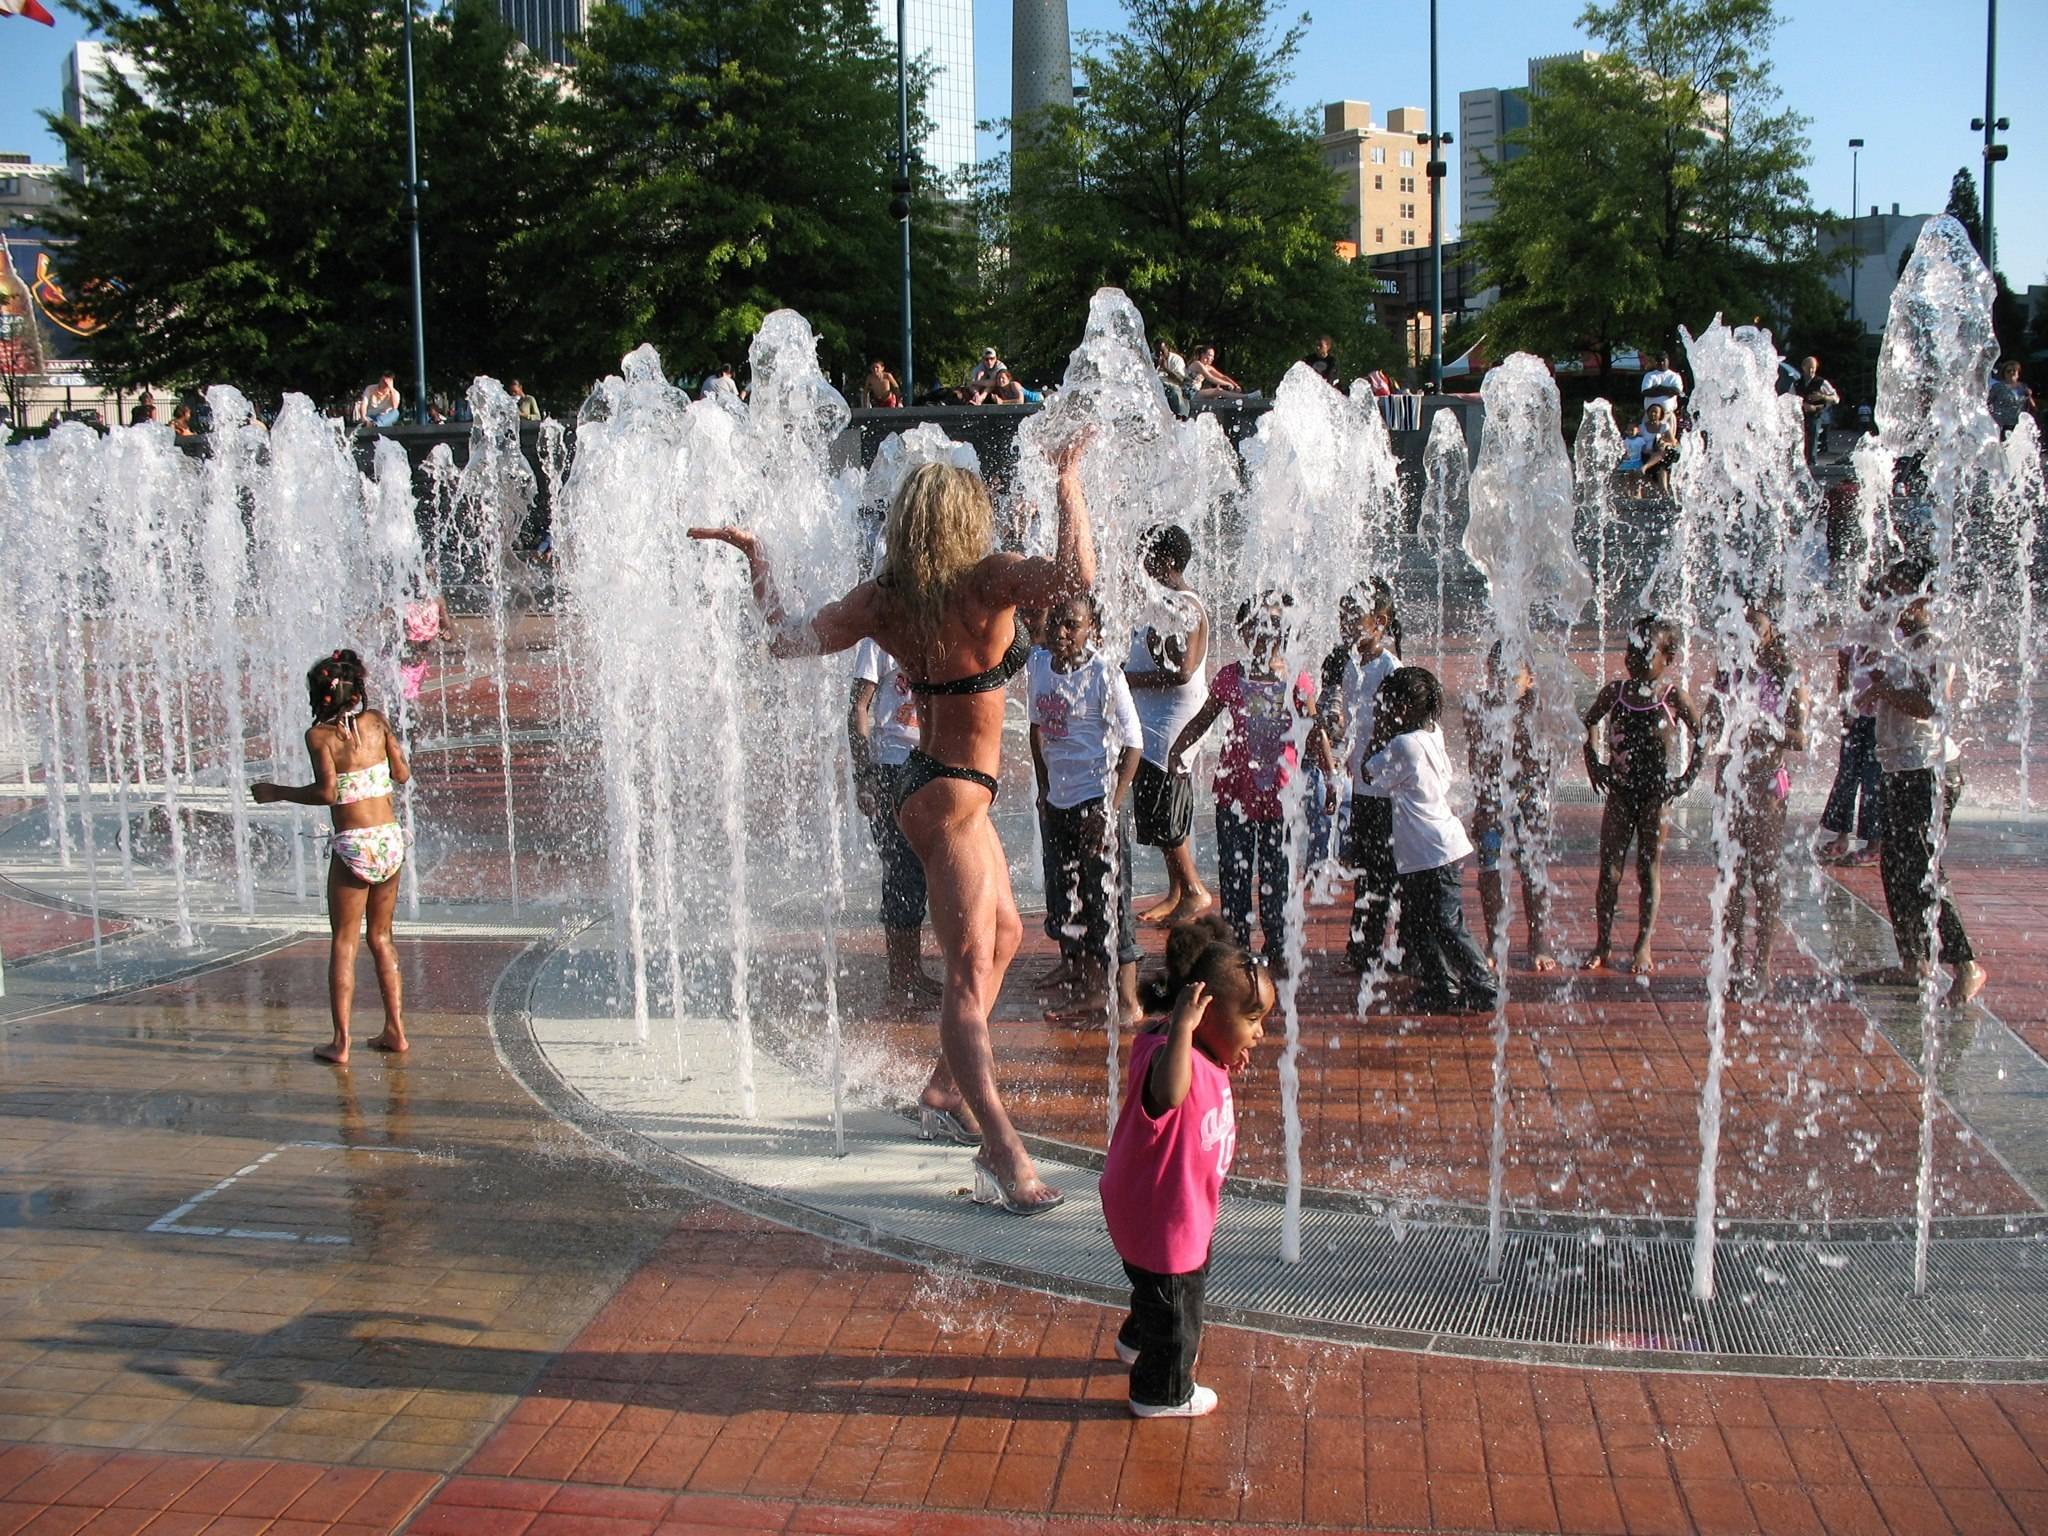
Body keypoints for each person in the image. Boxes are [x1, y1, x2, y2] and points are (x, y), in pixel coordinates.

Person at [689, 439, 1095, 1214]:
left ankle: (945, 1088)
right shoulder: (988, 581)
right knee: (971, 978)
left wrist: (757, 556)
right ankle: (1003, 1151)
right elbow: (1076, 579)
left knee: (1006, 938)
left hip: (930, 787)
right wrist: (1068, 481)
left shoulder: (887, 599)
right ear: (965, 518)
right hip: (950, 800)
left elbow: (785, 637)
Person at [1099, 916, 1273, 1419]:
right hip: (1164, 1219)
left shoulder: (1201, 1051)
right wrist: (1181, 1029)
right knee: (1180, 1312)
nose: (1260, 1033)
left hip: (1172, 1209)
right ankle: (1160, 1391)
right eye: (1253, 1018)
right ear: (1204, 1014)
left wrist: (1213, 1052)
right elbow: (1171, 1093)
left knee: (1158, 1293)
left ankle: (1137, 1337)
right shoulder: (1166, 1054)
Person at [250, 650, 411, 1064]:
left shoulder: (319, 737)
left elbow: (327, 793)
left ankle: (341, 1042)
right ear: (357, 691)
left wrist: (278, 792)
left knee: (344, 942)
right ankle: (395, 1029)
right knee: (381, 938)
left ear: (319, 696)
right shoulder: (376, 722)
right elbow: (402, 774)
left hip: (355, 843)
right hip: (390, 840)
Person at [1168, 592, 1332, 970]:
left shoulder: (1296, 679)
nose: (1265, 634)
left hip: (1281, 796)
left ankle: (1277, 944)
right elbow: (1204, 718)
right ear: (1242, 631)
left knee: (1276, 874)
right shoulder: (1231, 677)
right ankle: (1237, 945)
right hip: (1234, 794)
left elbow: (1316, 727)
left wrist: (1330, 775)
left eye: (1274, 626)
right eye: (1256, 626)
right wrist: (1179, 750)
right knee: (1235, 872)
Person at [1856, 560, 1986, 1007]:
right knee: (1895, 865)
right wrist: (1875, 691)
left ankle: (1966, 964)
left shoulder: (1932, 644)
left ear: (1924, 597)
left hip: (1928, 771)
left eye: (1899, 592)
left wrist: (1886, 692)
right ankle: (1914, 961)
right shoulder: (1904, 644)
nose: (1891, 601)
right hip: (1899, 768)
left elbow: (1932, 707)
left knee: (1925, 869)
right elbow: (1894, 698)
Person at [1028, 594, 1143, 1021]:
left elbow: (1133, 746)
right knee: (1073, 897)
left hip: (1097, 802)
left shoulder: (1104, 675)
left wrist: (1109, 809)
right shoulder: (1040, 666)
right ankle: (1090, 986)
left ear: (1090, 627)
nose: (1061, 633)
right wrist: (1043, 792)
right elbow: (1035, 729)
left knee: (1111, 900)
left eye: (1071, 625)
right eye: (1055, 622)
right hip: (1058, 802)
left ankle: (1128, 1001)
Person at [1357, 666, 1498, 1013]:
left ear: (1402, 708)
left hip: (1433, 851)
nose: (1383, 710)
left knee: (1446, 922)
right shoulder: (1431, 732)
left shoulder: (1404, 744)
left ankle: (1484, 985)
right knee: (1420, 924)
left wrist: (1379, 731)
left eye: (1387, 704)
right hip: (1428, 849)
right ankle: (1442, 986)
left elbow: (1367, 772)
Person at [1581, 615, 1702, 974]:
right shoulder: (1615, 692)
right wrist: (1594, 763)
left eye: (1644, 652)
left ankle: (1643, 944)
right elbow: (1587, 721)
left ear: (1669, 657)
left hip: (1655, 798)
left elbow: (1704, 736)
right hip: (1620, 792)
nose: (1634, 658)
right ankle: (1602, 942)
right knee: (1610, 871)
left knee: (1648, 869)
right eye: (1630, 650)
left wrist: (1686, 778)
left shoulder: (1672, 696)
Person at [1703, 603, 1807, 994]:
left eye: (1757, 630)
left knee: (1764, 878)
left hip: (1767, 792)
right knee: (1731, 878)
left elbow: (1800, 737)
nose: (1748, 637)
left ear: (1770, 635)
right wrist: (1711, 728)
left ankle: (1760, 965)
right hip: (1730, 786)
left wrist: (1769, 730)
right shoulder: (1727, 673)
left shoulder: (1786, 679)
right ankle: (1730, 963)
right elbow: (1712, 722)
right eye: (1742, 629)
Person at [1124, 524, 1212, 925]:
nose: (1141, 564)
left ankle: (1193, 890)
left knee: (1165, 806)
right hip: (1156, 719)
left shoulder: (1184, 605)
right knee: (1162, 805)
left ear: (1168, 561)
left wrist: (1129, 678)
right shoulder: (1165, 601)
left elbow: (1182, 671)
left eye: (1148, 556)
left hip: (1171, 721)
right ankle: (1176, 891)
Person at [849, 638, 939, 1004]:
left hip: (929, 764)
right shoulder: (878, 641)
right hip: (890, 767)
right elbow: (858, 706)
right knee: (901, 870)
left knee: (917, 870)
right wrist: (864, 775)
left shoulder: (933, 628)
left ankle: (910, 971)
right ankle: (901, 976)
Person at [1324, 582, 1403, 971]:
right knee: (1368, 872)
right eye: (1342, 615)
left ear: (1380, 622)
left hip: (1389, 795)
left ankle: (1391, 952)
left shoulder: (1391, 671)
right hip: (1365, 790)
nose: (1346, 624)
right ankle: (1365, 951)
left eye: (1354, 616)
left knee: (1385, 875)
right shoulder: (1352, 667)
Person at [1465, 640, 1556, 972]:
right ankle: (1494, 941)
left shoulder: (1537, 709)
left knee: (1532, 872)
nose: (1503, 682)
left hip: (1529, 800)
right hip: (1491, 799)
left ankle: (1539, 942)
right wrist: (1481, 803)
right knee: (1489, 872)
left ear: (1529, 678)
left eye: (1512, 676)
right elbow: (1477, 759)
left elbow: (1551, 754)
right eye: (1497, 673)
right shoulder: (1477, 706)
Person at [1817, 590, 1885, 867]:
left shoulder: (1892, 634)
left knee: (1874, 780)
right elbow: (1842, 667)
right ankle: (1842, 836)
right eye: (1864, 602)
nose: (1867, 607)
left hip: (1883, 719)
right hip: (1857, 714)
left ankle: (1874, 843)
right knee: (1847, 774)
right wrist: (1844, 704)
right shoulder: (1855, 630)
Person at [398, 569, 454, 703]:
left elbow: (450, 633)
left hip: (418, 663)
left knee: (409, 704)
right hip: (401, 661)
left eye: (427, 577)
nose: (421, 581)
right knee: (401, 704)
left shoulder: (438, 601)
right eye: (418, 577)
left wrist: (445, 633)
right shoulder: (402, 601)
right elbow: (385, 620)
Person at [1793, 356, 1839, 463]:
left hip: (1815, 416)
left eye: (1813, 368)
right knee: (1799, 442)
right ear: (1803, 367)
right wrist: (1802, 404)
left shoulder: (1822, 383)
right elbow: (1791, 398)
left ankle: (1812, 464)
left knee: (1812, 441)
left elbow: (1836, 399)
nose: (1811, 371)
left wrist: (1823, 397)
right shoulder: (1796, 384)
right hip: (1800, 417)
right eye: (1809, 368)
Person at [1990, 360, 2036, 438]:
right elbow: (1988, 402)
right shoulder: (1997, 387)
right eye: (2008, 371)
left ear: (2018, 373)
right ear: (2004, 374)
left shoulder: (2023, 387)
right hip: (2002, 424)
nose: (2012, 373)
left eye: (2014, 370)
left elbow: (2033, 407)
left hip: (2018, 424)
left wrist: (2029, 396)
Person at [1640, 352, 1684, 425]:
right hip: (1650, 416)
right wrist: (1668, 391)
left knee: (1669, 436)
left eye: (1663, 360)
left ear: (1668, 361)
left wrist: (1659, 388)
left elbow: (1676, 391)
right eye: (1659, 361)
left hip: (1668, 415)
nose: (1661, 363)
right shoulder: (1650, 375)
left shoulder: (1674, 376)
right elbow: (1645, 392)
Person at [1154, 339, 1189, 416]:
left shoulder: (1176, 360)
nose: (1160, 354)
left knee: (1175, 392)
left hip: (1172, 386)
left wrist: (1166, 369)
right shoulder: (1152, 358)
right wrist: (1154, 366)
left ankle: (1181, 416)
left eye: (1162, 351)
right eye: (1157, 351)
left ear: (1168, 349)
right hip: (1156, 386)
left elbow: (1180, 380)